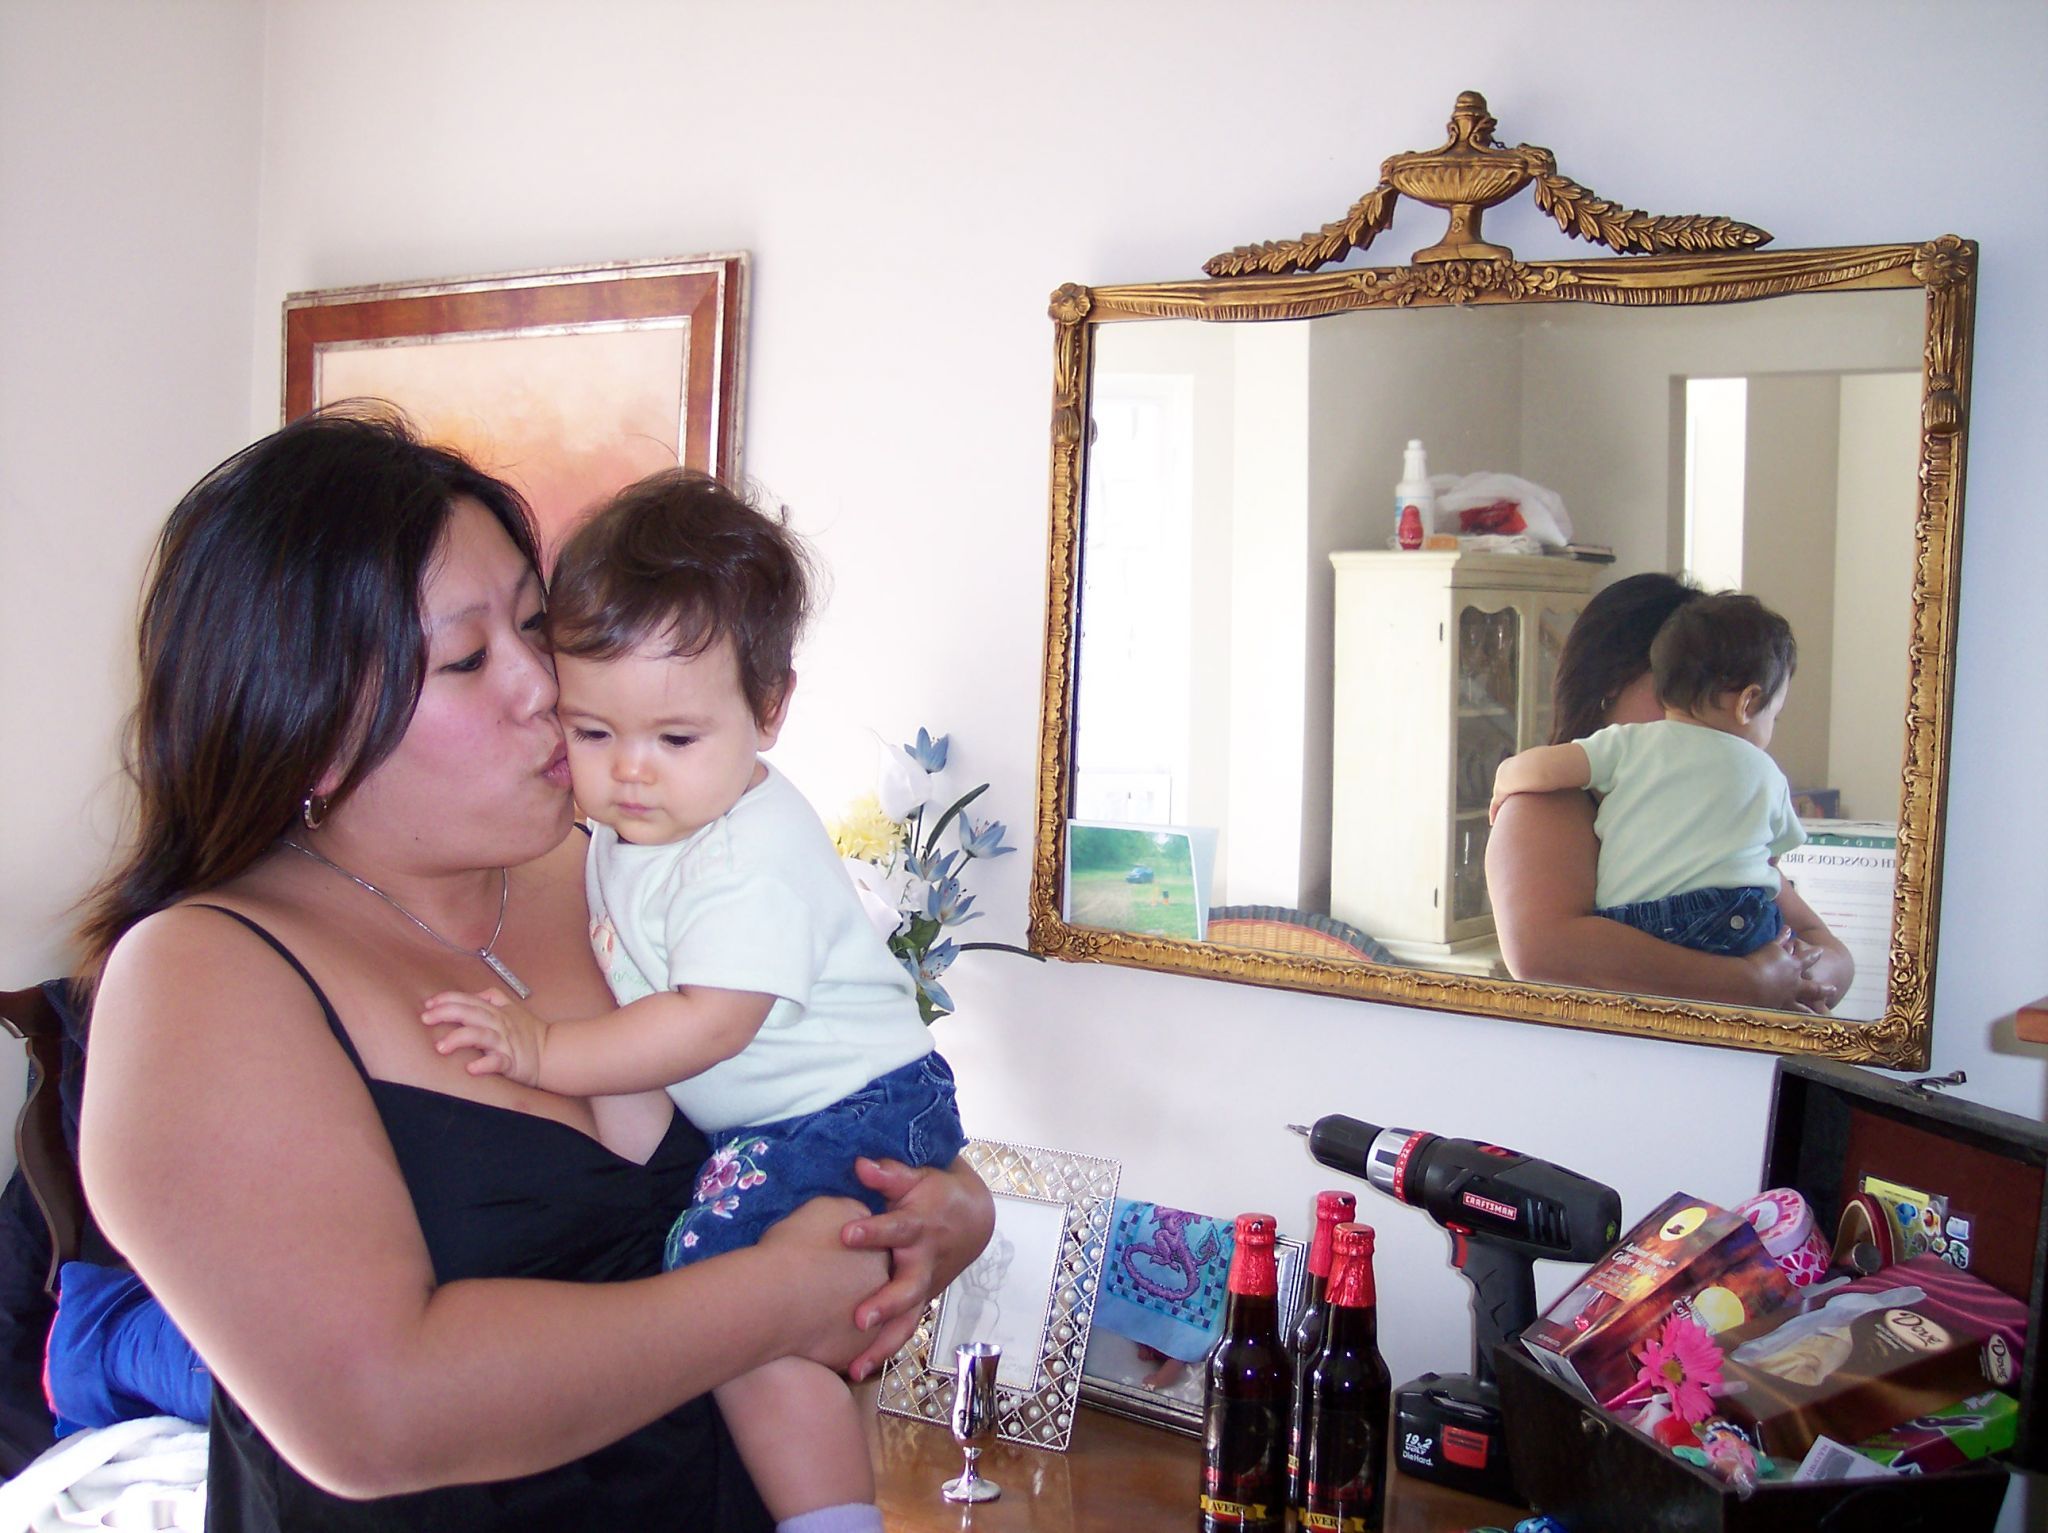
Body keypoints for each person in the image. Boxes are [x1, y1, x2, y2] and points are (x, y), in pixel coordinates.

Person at [74, 406, 994, 1532]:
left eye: (533, 623)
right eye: (468, 658)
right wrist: (784, 1294)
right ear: (306, 724)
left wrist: (952, 1213)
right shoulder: (205, 976)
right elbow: (377, 1414)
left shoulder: (628, 865)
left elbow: (839, 1096)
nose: (544, 686)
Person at [418, 472, 965, 1533]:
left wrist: (542, 1051)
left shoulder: (745, 855)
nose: (630, 773)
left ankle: (830, 1520)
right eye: (591, 733)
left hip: (847, 1111)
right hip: (803, 1114)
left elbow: (710, 1023)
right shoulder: (645, 829)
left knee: (732, 1305)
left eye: (674, 740)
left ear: (769, 709)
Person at [1485, 573, 1853, 1011]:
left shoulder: (1717, 796)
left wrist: (1798, 979)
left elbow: (1829, 950)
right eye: (1678, 686)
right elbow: (1545, 953)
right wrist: (1747, 981)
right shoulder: (1546, 805)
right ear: (1611, 681)